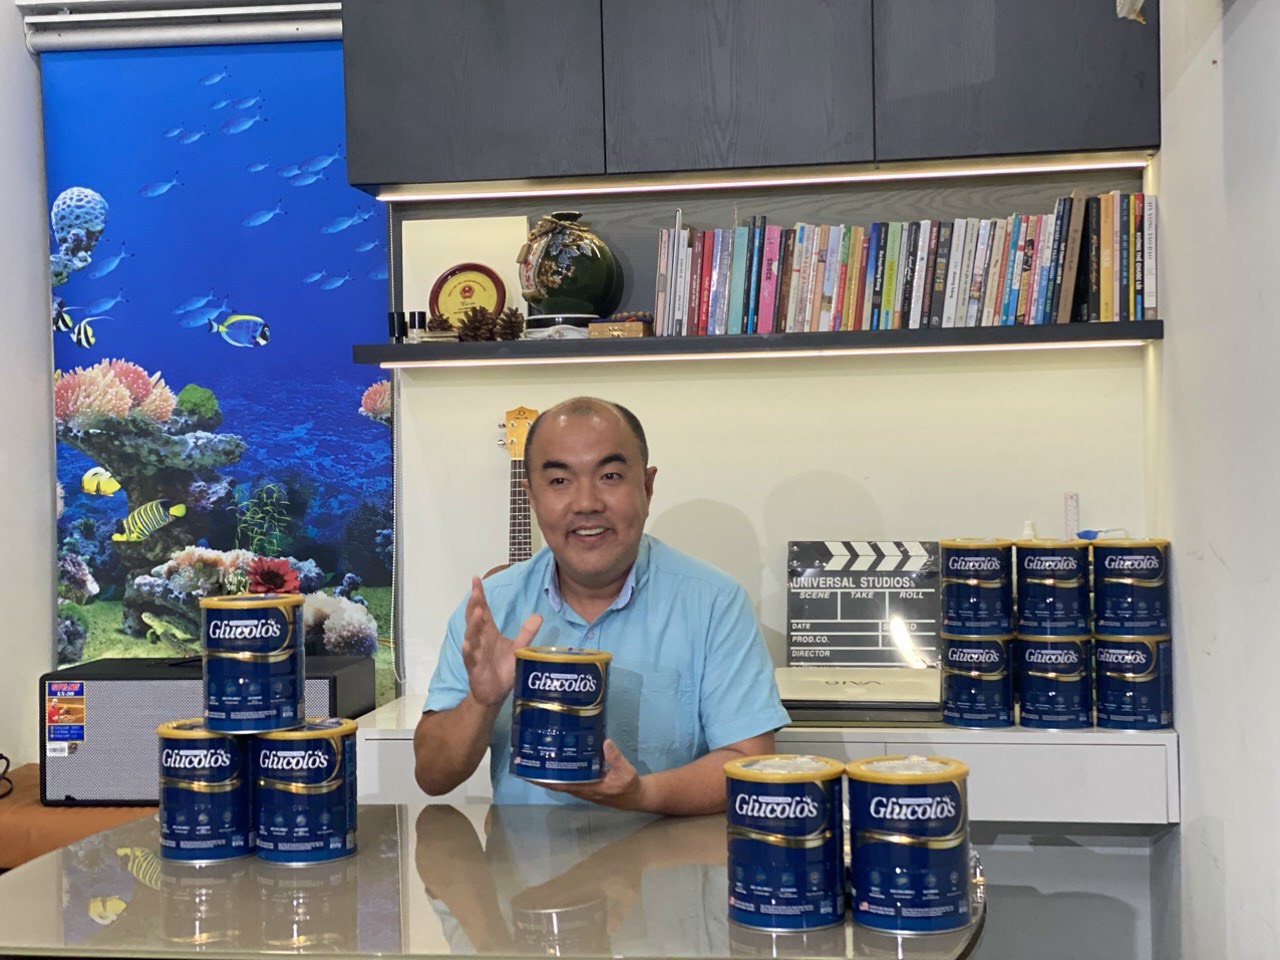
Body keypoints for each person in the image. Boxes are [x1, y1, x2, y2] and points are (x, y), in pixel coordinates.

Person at [414, 396, 790, 815]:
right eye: (560, 481)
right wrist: (482, 702)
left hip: (666, 852)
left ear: (647, 487)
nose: (586, 503)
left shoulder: (714, 602)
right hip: (520, 857)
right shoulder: (493, 606)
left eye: (609, 476)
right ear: (531, 496)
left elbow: (749, 762)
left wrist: (641, 794)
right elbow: (432, 776)